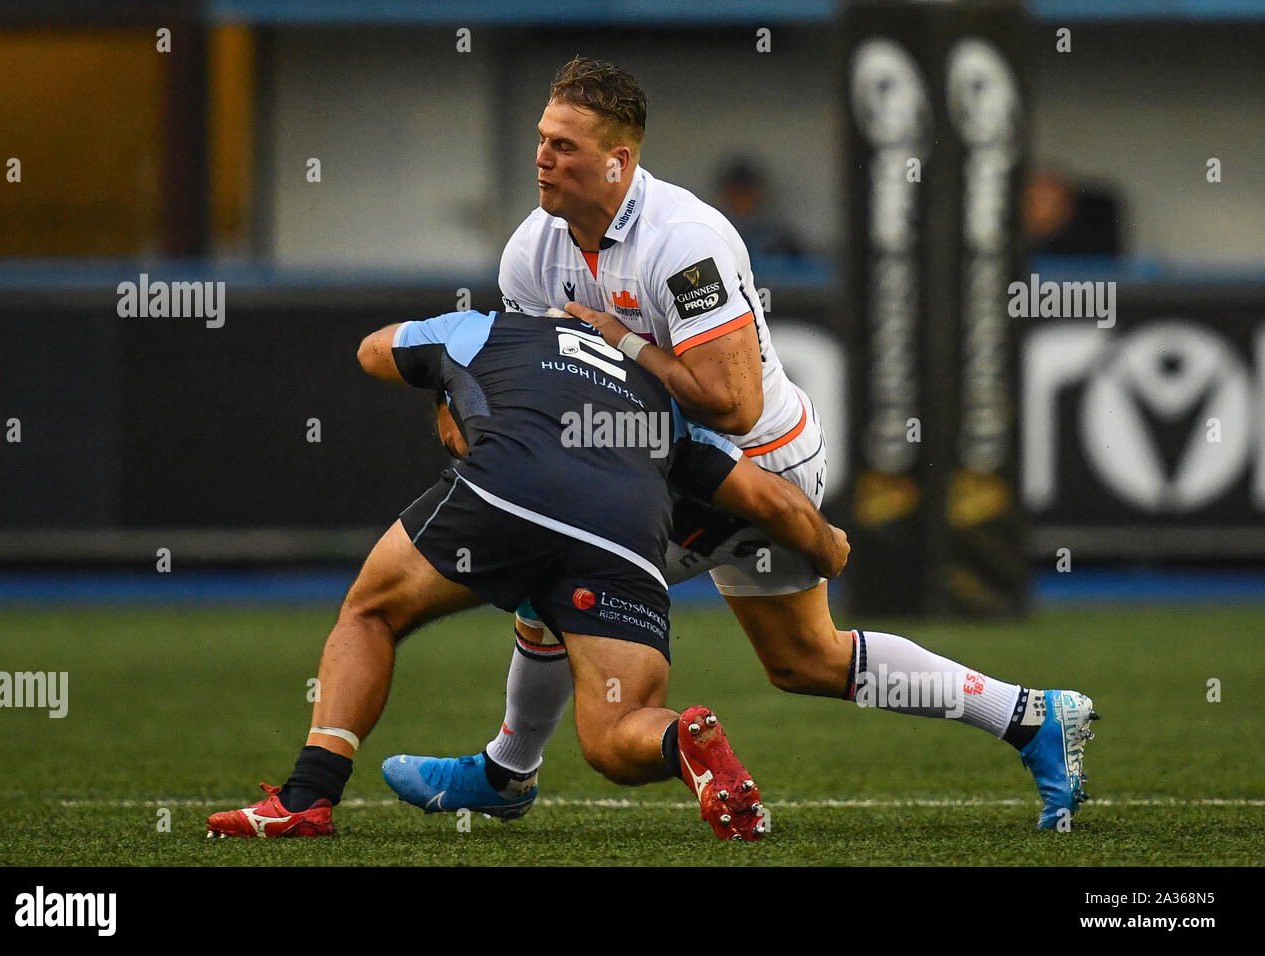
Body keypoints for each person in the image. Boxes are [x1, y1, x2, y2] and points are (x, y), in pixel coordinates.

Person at [388, 56, 1098, 832]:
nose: (542, 157)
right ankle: (1033, 717)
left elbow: (732, 404)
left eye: (564, 145)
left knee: (551, 569)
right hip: (671, 470)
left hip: (757, 464)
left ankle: (506, 772)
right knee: (807, 661)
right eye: (542, 138)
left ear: (618, 162)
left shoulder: (683, 243)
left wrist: (620, 337)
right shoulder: (532, 251)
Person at [205, 308, 850, 842]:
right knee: (616, 731)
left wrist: (442, 373)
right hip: (626, 534)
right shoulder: (661, 398)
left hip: (509, 491)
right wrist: (829, 551)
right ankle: (683, 739)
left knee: (370, 612)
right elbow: (775, 503)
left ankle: (306, 798)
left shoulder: (479, 330)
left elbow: (372, 350)